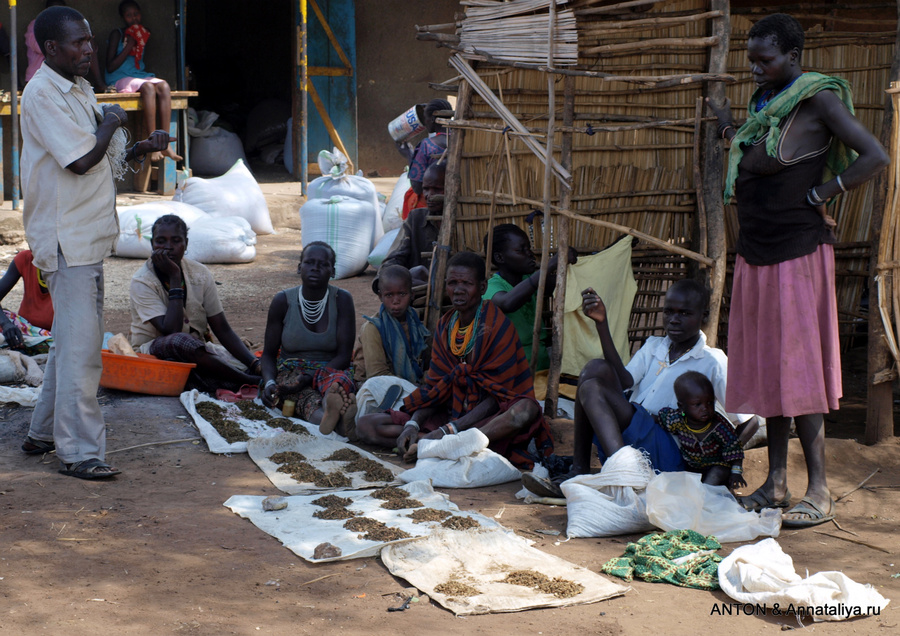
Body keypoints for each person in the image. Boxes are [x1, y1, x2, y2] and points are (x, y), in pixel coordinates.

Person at [708, 13, 889, 527]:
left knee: (800, 373)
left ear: (793, 57)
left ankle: (820, 491)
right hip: (758, 251)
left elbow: (875, 155)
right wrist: (725, 126)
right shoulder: (765, 107)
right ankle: (776, 485)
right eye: (752, 60)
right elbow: (753, 150)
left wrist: (824, 192)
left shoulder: (818, 99)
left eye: (766, 59)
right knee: (772, 371)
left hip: (797, 252)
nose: (756, 68)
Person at [19, 5, 171, 479]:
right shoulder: (43, 94)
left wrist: (139, 145)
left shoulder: (78, 87)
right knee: (84, 353)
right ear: (50, 49)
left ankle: (42, 433)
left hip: (86, 235)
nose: (88, 50)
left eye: (88, 40)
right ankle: (79, 452)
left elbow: (101, 151)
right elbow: (81, 159)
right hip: (68, 240)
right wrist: (110, 124)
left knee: (71, 342)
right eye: (79, 43)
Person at [522, 279, 756, 498]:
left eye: (684, 313)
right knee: (594, 369)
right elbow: (624, 382)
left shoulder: (712, 361)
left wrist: (720, 463)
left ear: (703, 317)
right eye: (669, 312)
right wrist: (602, 324)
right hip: (634, 436)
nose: (674, 319)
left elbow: (749, 421)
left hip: (668, 451)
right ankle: (582, 468)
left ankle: (622, 477)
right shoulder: (655, 346)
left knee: (591, 389)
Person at [357, 252, 554, 469]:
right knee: (367, 425)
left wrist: (448, 431)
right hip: (453, 412)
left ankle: (447, 444)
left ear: (482, 287)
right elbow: (436, 389)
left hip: (487, 419)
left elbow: (496, 397)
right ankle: (437, 444)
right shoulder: (445, 325)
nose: (458, 289)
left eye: (466, 283)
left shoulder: (496, 325)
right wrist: (413, 424)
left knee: (525, 410)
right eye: (452, 283)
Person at [129, 215, 262, 393]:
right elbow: (172, 331)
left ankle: (246, 376)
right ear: (152, 244)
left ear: (186, 244)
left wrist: (254, 363)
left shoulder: (200, 273)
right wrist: (175, 277)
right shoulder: (142, 281)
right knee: (180, 343)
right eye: (161, 241)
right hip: (154, 353)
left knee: (232, 365)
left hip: (196, 353)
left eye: (176, 241)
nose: (168, 247)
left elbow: (222, 328)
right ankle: (247, 380)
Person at [260, 242, 358, 438]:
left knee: (337, 383)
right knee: (300, 396)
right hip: (292, 373)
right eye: (309, 262)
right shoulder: (283, 301)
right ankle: (334, 420)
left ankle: (332, 408)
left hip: (330, 370)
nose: (315, 268)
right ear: (299, 268)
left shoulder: (342, 300)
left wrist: (314, 377)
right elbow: (269, 354)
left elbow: (344, 356)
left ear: (332, 271)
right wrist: (270, 382)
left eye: (323, 264)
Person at [483, 224, 576, 369]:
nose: (530, 255)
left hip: (542, 370)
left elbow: (567, 282)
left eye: (529, 249)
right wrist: (549, 265)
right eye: (521, 250)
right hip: (511, 375)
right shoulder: (491, 286)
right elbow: (507, 303)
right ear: (500, 257)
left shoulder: (530, 279)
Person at [105, 0, 181, 161]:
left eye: (136, 14)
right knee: (148, 87)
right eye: (129, 15)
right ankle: (153, 143)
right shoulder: (117, 34)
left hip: (138, 75)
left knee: (164, 86)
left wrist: (137, 39)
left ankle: (165, 143)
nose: (134, 18)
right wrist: (129, 45)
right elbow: (110, 66)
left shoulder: (142, 33)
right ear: (123, 17)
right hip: (119, 77)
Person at [657, 371, 747, 491]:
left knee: (717, 473)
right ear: (681, 406)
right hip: (691, 465)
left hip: (717, 466)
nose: (705, 408)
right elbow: (661, 417)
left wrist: (736, 472)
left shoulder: (719, 426)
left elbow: (734, 448)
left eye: (710, 403)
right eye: (697, 404)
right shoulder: (676, 420)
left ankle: (705, 496)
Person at [352, 265, 430, 386]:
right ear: (380, 296)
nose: (396, 301)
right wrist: (414, 387)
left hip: (406, 381)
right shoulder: (372, 329)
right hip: (372, 383)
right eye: (389, 295)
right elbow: (377, 376)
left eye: (402, 294)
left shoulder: (414, 317)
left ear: (412, 294)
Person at [381, 161, 445, 286]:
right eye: (426, 189)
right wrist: (405, 277)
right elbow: (392, 260)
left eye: (437, 189)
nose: (429, 195)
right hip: (418, 294)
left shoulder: (466, 223)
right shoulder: (415, 218)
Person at [25, 1, 106, 91]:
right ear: (51, 47)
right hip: (36, 74)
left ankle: (99, 82)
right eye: (78, 42)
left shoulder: (82, 84)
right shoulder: (41, 92)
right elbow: (38, 47)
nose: (89, 50)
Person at [402, 98, 451, 215]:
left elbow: (417, 187)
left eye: (425, 118)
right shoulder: (465, 140)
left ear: (433, 119)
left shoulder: (427, 145)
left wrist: (409, 155)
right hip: (461, 198)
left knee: (410, 195)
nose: (425, 122)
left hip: (436, 205)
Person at [0, 250, 54, 354]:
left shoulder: (68, 268)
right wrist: (6, 324)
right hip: (25, 330)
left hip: (55, 336)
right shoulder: (26, 258)